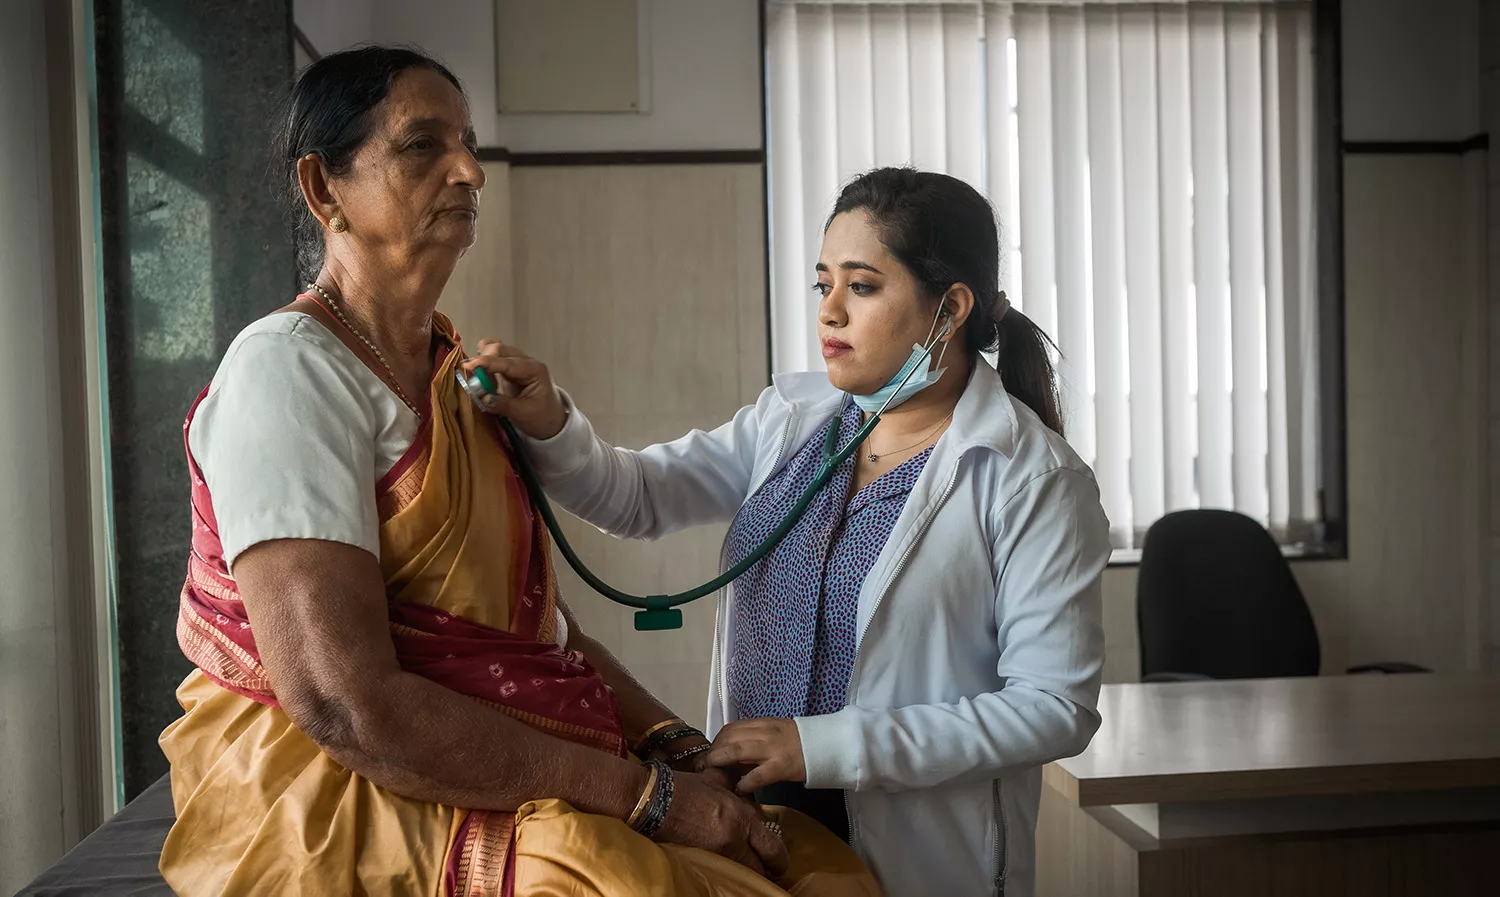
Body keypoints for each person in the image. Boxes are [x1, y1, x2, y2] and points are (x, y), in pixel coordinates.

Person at [158, 45, 880, 897]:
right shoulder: (287, 372)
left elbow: (539, 633)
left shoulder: (454, 373)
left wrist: (672, 743)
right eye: (423, 145)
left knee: (812, 863)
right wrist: (650, 800)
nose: (470, 170)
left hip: (490, 751)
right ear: (325, 191)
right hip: (339, 787)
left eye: (466, 142)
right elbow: (343, 705)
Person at [464, 166, 1112, 897]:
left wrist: (823, 745)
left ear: (950, 308)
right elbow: (637, 497)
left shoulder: (1032, 478)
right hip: (757, 824)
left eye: (861, 287)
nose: (829, 312)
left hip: (916, 847)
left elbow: (1054, 708)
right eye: (823, 283)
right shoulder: (793, 421)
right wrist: (550, 419)